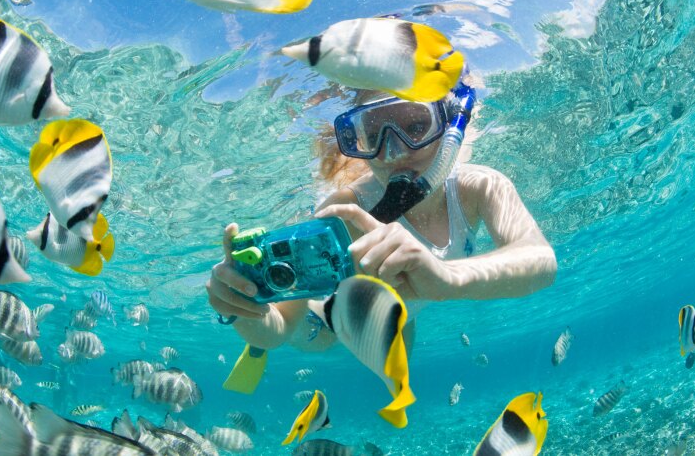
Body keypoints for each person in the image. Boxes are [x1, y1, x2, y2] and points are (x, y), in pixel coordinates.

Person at [206, 74, 557, 392]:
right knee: (322, 340)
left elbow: (540, 259)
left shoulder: (480, 186)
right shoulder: (344, 211)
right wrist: (249, 310)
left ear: (449, 127)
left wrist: (448, 277)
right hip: (328, 317)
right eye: (374, 136)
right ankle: (254, 352)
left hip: (402, 310)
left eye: (416, 125)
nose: (394, 151)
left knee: (402, 339)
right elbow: (279, 328)